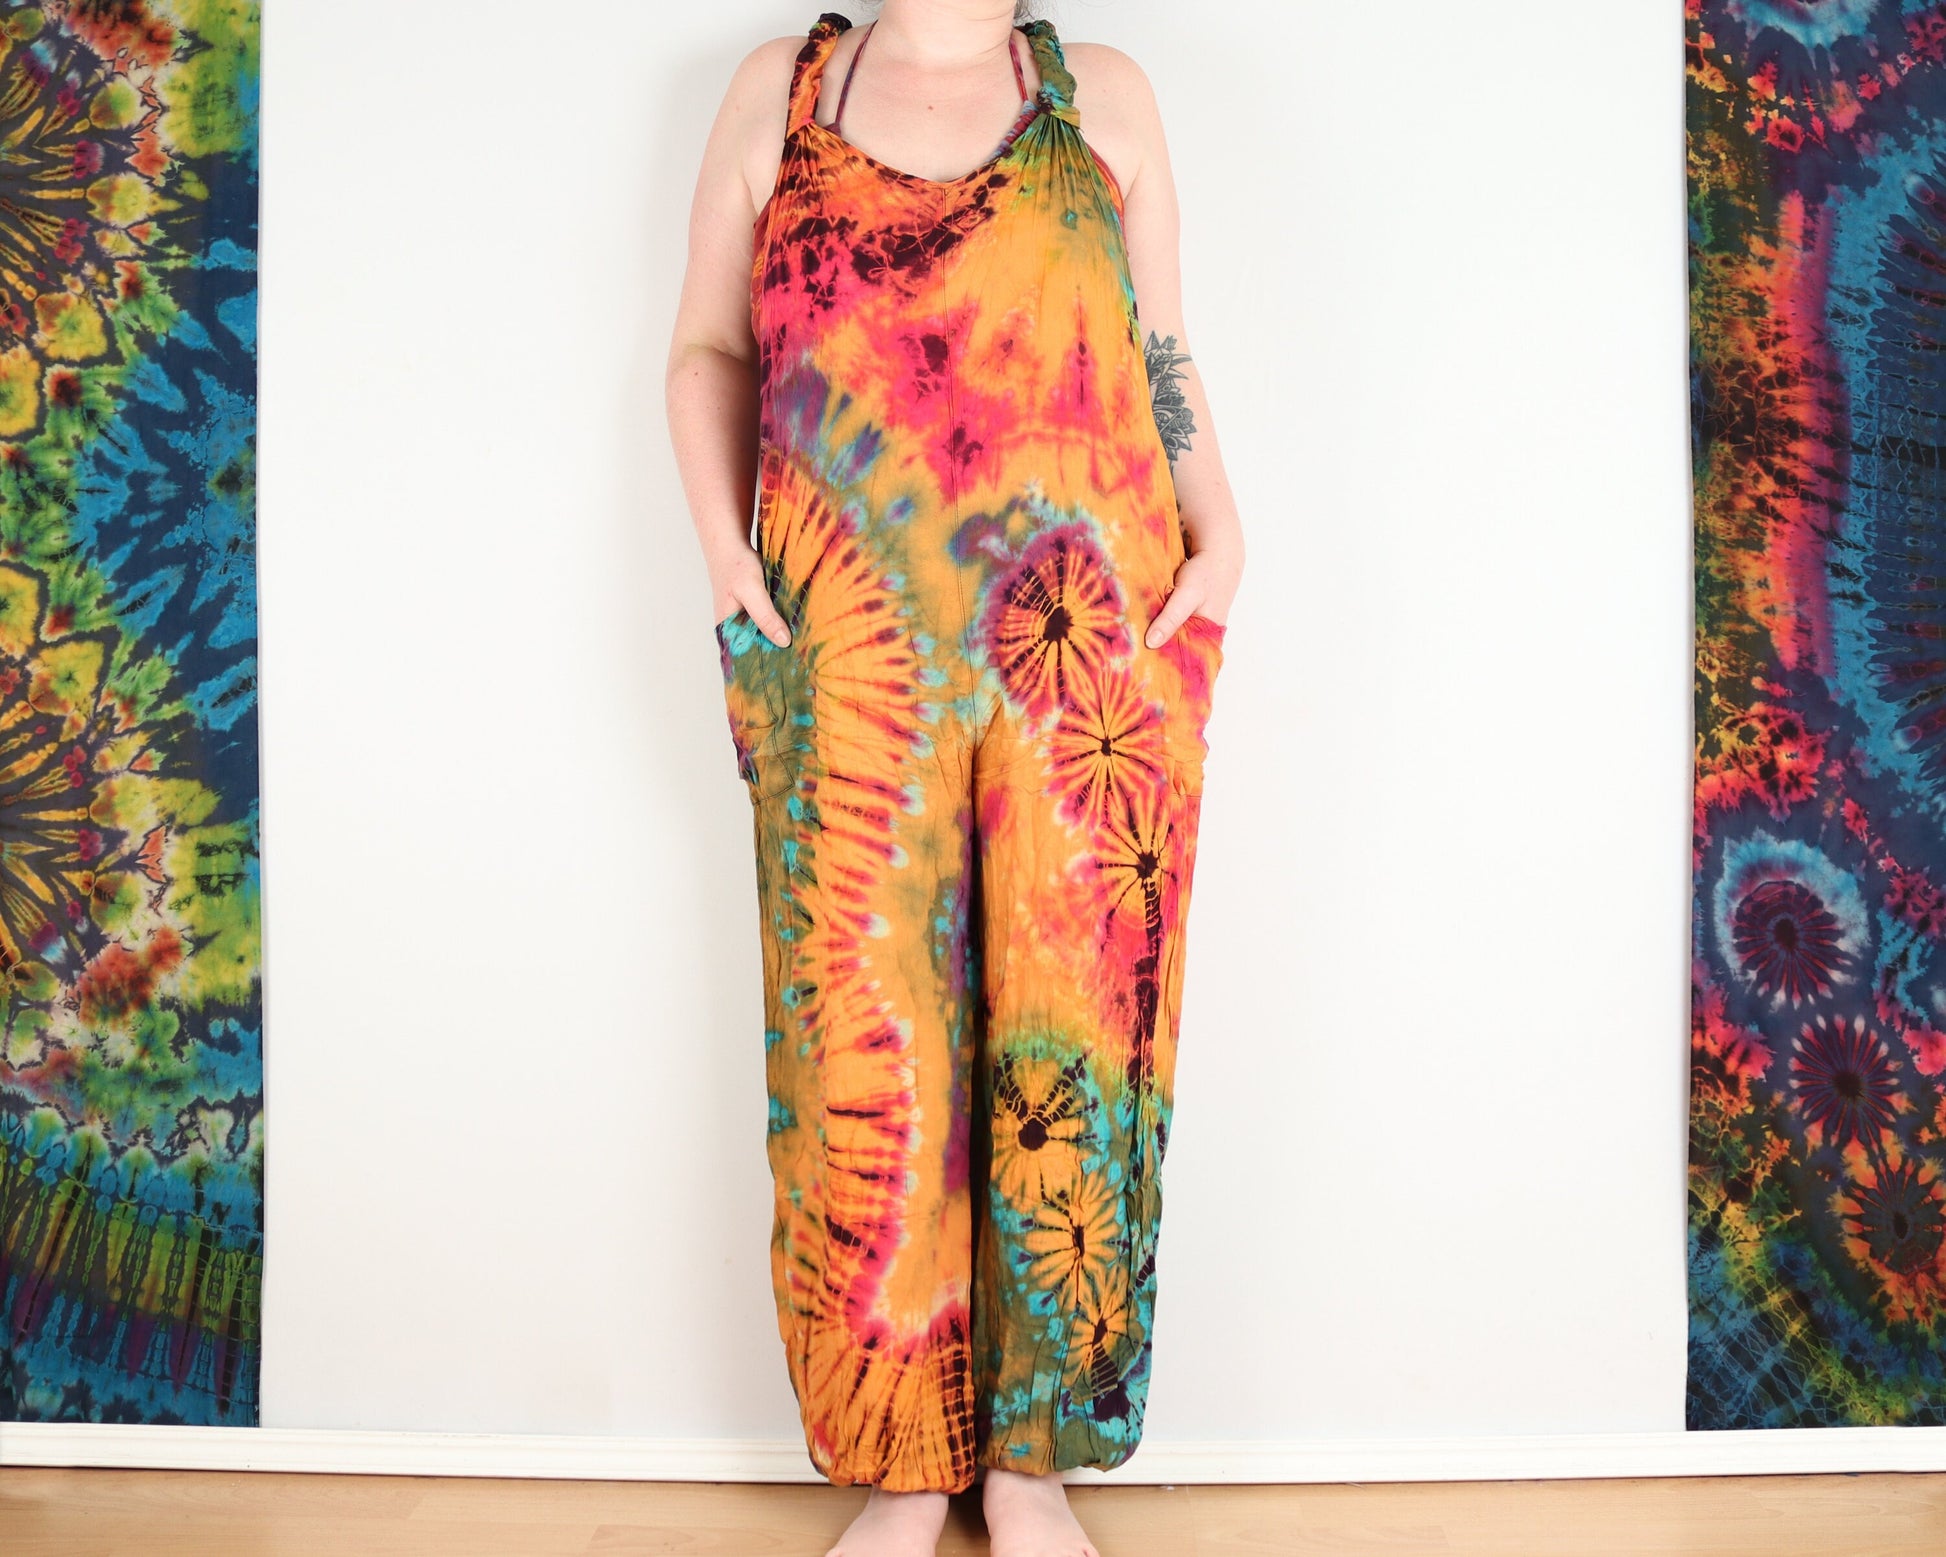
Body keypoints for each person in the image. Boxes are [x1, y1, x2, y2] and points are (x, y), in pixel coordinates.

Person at [665, 4, 1244, 1554]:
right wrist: (725, 553)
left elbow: (1161, 352)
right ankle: (904, 1465)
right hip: (849, 655)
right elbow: (711, 347)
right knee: (864, 1044)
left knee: (1072, 1040)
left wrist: (1222, 525)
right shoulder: (782, 96)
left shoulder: (1099, 97)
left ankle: (1028, 1466)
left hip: (1083, 653)